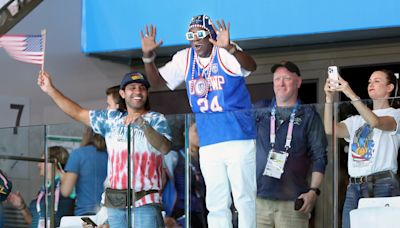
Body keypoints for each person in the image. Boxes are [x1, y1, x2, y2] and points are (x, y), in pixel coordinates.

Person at [141, 14, 257, 228]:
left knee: (244, 198)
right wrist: (148, 58)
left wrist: (231, 48)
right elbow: (157, 82)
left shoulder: (225, 51)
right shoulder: (185, 58)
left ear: (211, 36)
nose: (195, 39)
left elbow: (251, 67)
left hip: (238, 137)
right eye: (191, 35)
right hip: (209, 141)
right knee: (215, 201)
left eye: (200, 34)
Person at [37, 70, 172, 227]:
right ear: (122, 93)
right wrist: (50, 89)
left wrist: (143, 124)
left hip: (145, 201)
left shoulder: (156, 119)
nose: (137, 92)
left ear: (147, 93)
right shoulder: (111, 119)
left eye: (142, 88)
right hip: (115, 202)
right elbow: (77, 112)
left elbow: (165, 147)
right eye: (132, 87)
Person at [254, 61, 328, 228]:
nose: (281, 83)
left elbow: (320, 155)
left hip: (292, 201)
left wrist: (313, 191)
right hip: (258, 199)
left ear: (298, 82)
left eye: (286, 78)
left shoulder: (308, 115)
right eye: (277, 79)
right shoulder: (259, 110)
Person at [324, 69, 400, 228]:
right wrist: (329, 99)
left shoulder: (395, 114)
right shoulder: (356, 119)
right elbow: (331, 129)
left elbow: (375, 122)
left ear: (390, 87)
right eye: (369, 82)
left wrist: (350, 93)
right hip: (354, 186)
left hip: (382, 183)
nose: (371, 84)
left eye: (377, 81)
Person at [7, 146, 75, 227]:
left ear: (54, 161)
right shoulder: (44, 189)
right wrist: (22, 206)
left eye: (42, 161)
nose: (38, 165)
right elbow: (33, 221)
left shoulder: (66, 183)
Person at [61, 127, 108, 215]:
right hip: (108, 213)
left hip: (85, 212)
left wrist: (62, 176)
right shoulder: (112, 155)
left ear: (87, 134)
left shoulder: (78, 154)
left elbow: (66, 191)